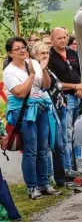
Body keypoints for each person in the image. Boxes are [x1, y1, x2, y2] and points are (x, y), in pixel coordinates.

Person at [3, 36, 61, 200]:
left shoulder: (33, 62)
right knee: (30, 150)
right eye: (17, 49)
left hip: (41, 108)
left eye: (24, 47)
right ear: (10, 53)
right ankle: (32, 188)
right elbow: (20, 92)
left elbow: (46, 86)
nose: (22, 51)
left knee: (43, 148)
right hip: (24, 111)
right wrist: (32, 75)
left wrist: (42, 70)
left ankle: (45, 184)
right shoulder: (9, 72)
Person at [48, 28, 82, 171]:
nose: (63, 40)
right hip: (64, 100)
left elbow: (81, 72)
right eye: (59, 38)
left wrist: (80, 87)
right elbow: (54, 83)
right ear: (51, 40)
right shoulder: (50, 57)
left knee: (81, 133)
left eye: (65, 37)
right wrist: (75, 86)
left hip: (79, 97)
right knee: (67, 136)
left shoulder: (72, 52)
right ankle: (69, 170)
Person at [31, 42, 66, 187]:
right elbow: (39, 87)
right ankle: (45, 180)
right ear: (35, 55)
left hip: (54, 108)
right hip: (42, 109)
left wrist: (44, 69)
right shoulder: (31, 69)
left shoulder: (46, 69)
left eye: (47, 53)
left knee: (59, 144)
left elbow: (48, 84)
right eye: (42, 53)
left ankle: (60, 178)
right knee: (45, 146)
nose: (46, 56)